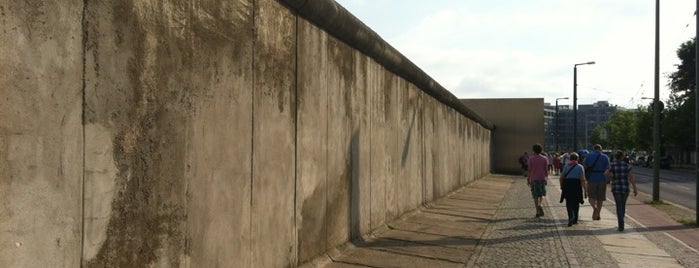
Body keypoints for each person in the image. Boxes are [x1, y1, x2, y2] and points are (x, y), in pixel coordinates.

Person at [605, 150, 638, 231]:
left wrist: (612, 177)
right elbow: (631, 178)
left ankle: (621, 224)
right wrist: (635, 188)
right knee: (623, 205)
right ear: (622, 157)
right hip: (625, 188)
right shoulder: (626, 165)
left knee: (618, 206)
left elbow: (605, 173)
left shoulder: (612, 165)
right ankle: (622, 221)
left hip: (616, 188)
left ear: (615, 157)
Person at [583, 144, 611, 221]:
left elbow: (584, 166)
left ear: (593, 149)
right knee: (600, 198)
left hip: (592, 178)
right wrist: (608, 178)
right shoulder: (605, 157)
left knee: (591, 196)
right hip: (602, 178)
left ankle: (594, 208)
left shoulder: (589, 156)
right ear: (601, 149)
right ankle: (598, 214)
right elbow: (608, 168)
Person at [559, 153, 587, 226]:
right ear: (577, 159)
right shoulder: (580, 167)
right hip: (577, 186)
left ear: (570, 159)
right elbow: (582, 179)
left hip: (568, 186)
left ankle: (570, 216)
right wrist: (585, 191)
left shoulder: (566, 166)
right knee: (576, 203)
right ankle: (575, 219)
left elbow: (561, 178)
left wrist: (561, 186)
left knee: (569, 203)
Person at [527, 144, 549, 217]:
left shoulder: (531, 158)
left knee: (535, 195)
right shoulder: (545, 158)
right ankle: (540, 204)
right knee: (542, 194)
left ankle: (537, 212)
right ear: (541, 150)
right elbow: (546, 170)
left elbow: (529, 170)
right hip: (542, 178)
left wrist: (528, 179)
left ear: (533, 150)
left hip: (534, 178)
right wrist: (546, 178)